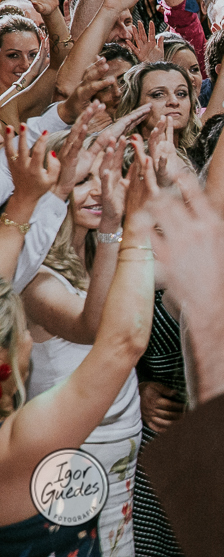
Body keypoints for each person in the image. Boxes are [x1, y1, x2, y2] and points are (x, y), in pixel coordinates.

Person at [0, 125, 157, 557]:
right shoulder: (35, 279)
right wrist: (115, 225)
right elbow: (99, 329)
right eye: (83, 180)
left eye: (103, 176)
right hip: (69, 444)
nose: (98, 190)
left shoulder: (94, 257)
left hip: (122, 436)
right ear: (57, 188)